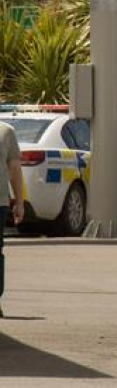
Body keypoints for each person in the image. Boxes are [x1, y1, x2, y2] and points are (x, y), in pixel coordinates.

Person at [0, 120, 24, 319]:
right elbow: (15, 168)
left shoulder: (6, 131)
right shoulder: (6, 131)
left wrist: (19, 201)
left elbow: (15, 168)